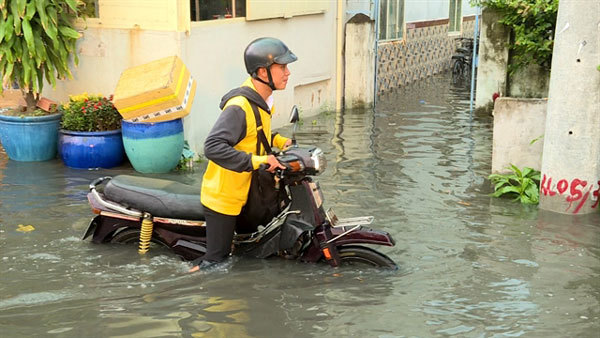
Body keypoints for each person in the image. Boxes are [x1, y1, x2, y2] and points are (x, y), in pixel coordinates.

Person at [189, 37, 297, 272]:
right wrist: (258, 161)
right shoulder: (240, 106)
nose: (288, 73)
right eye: (282, 67)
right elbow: (213, 146)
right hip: (224, 197)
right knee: (216, 264)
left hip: (248, 193)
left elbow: (255, 135)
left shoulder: (264, 101)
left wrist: (279, 141)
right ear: (262, 71)